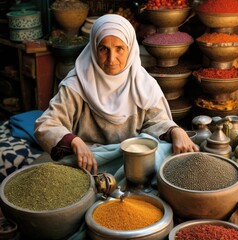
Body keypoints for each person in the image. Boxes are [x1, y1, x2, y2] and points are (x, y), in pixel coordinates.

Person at [34, 14, 199, 177]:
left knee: (164, 150)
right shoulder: (77, 84)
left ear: (130, 48)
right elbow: (46, 124)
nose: (111, 58)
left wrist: (176, 131)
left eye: (119, 49)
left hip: (132, 159)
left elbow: (157, 121)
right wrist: (74, 141)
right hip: (89, 161)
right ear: (93, 48)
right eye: (104, 49)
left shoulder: (143, 84)